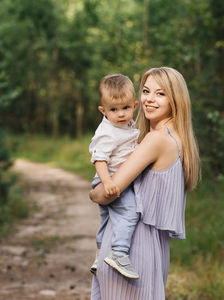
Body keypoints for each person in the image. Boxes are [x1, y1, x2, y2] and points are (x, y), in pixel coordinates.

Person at [89, 67, 200, 299]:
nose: (149, 99)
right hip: (154, 248)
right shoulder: (177, 139)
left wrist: (94, 193)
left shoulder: (155, 140)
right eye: (146, 91)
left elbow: (106, 193)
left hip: (131, 246)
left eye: (160, 94)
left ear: (175, 100)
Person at [88, 74, 140, 279]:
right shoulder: (107, 131)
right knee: (130, 211)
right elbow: (99, 159)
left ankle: (99, 256)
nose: (121, 114)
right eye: (114, 109)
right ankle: (119, 252)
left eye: (126, 108)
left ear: (134, 105)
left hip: (113, 179)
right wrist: (108, 182)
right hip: (110, 180)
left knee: (107, 220)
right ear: (103, 110)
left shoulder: (128, 125)